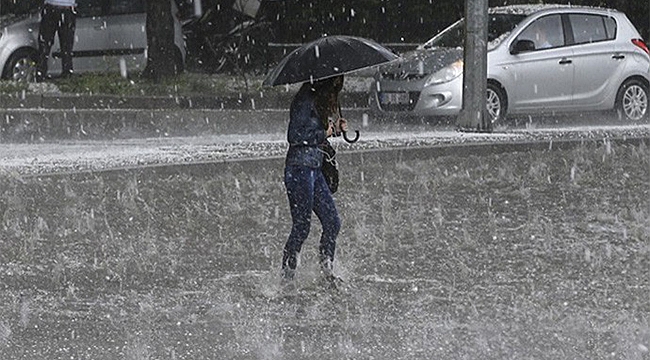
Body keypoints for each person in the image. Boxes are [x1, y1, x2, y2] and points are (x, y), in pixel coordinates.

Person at [281, 75, 348, 286]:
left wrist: (335, 130)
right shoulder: (304, 99)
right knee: (301, 226)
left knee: (332, 222)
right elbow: (295, 135)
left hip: (315, 169)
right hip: (299, 169)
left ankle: (327, 271)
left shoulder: (317, 100)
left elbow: (315, 134)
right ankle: (287, 277)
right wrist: (324, 132)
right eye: (334, 85)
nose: (335, 91)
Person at [36, 0, 77, 81]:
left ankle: (66, 75)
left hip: (63, 9)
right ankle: (41, 74)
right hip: (54, 8)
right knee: (45, 44)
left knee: (65, 46)